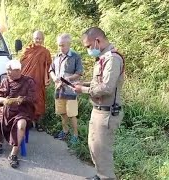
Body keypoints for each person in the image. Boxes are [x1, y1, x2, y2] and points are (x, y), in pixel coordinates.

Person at [72, 27, 125, 180]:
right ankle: (100, 175)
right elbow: (98, 82)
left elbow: (107, 88)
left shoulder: (113, 58)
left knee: (103, 152)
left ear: (97, 41)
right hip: (98, 110)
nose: (88, 50)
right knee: (94, 147)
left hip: (108, 112)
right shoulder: (102, 57)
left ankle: (106, 177)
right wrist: (85, 84)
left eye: (88, 46)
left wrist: (83, 89)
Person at [0, 60, 36, 168]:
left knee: (21, 125)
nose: (7, 72)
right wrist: (4, 101)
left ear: (17, 70)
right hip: (6, 110)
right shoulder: (5, 81)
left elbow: (33, 98)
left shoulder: (29, 81)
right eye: (7, 70)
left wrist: (21, 100)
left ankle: (13, 154)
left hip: (22, 111)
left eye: (9, 70)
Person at [49, 33, 83, 144]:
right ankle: (65, 131)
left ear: (69, 44)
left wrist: (66, 79)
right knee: (62, 112)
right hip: (59, 90)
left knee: (72, 113)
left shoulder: (75, 56)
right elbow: (51, 70)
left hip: (70, 91)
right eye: (59, 45)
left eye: (63, 45)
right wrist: (54, 79)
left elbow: (79, 73)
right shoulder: (56, 56)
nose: (61, 47)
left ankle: (75, 135)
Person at [20, 30, 52, 132]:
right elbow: (21, 65)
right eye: (36, 38)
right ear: (33, 39)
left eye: (40, 38)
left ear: (43, 40)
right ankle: (27, 122)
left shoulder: (45, 52)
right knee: (27, 100)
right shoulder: (27, 50)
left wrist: (47, 79)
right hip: (27, 81)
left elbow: (48, 66)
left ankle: (38, 123)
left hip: (38, 81)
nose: (38, 40)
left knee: (39, 102)